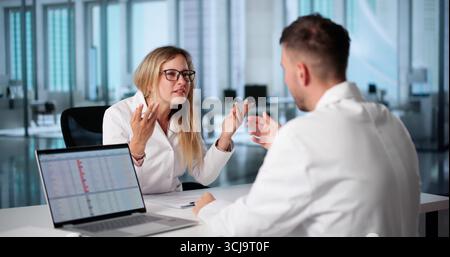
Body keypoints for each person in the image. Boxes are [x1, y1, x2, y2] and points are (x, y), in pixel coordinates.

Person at [192, 14, 421, 236]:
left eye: (284, 69)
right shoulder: (390, 122)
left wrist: (209, 208)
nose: (285, 79)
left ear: (301, 72)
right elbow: (345, 172)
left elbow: (245, 229)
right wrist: (283, 142)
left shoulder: (303, 138)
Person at [103, 46, 248, 194]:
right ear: (148, 81)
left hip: (174, 202)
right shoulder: (117, 115)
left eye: (186, 75)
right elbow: (116, 182)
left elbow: (204, 175)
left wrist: (225, 136)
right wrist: (137, 144)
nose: (182, 81)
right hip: (138, 205)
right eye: (171, 74)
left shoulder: (184, 116)